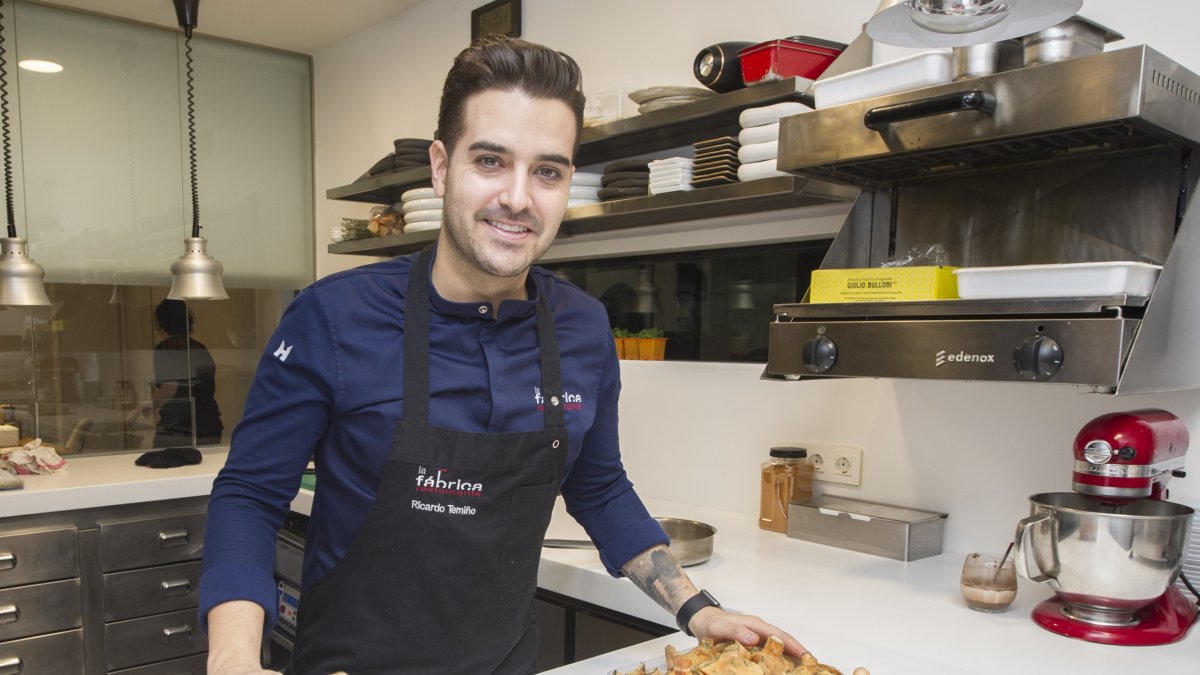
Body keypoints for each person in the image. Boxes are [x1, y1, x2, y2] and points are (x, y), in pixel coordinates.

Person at [200, 36, 805, 674]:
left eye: (547, 171)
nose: (518, 198)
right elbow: (249, 495)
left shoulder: (584, 326)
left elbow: (597, 487)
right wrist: (234, 657)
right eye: (490, 160)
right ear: (440, 167)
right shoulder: (333, 317)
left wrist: (698, 611)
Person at [130, 299, 223, 447]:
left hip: (180, 427)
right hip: (210, 425)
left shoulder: (166, 348)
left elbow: (169, 389)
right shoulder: (199, 348)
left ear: (161, 324)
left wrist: (141, 407)